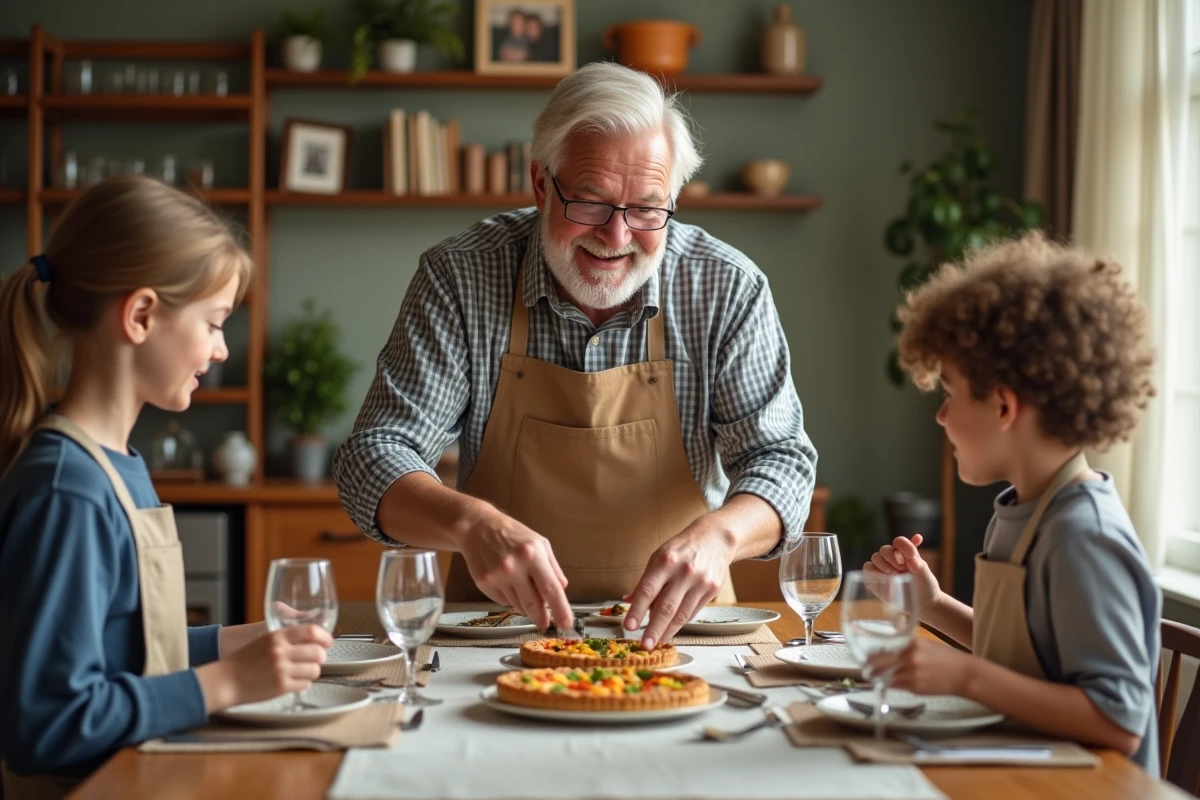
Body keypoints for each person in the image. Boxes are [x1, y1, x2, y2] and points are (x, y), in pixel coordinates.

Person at [334, 62, 817, 650]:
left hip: (681, 636)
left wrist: (720, 537)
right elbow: (374, 455)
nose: (617, 238)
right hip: (494, 634)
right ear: (541, 183)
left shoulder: (726, 287)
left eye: (646, 208)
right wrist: (471, 523)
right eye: (590, 203)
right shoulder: (462, 276)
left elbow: (782, 462)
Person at [0, 175, 333, 799]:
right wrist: (228, 683)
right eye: (213, 323)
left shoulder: (114, 463)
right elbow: (45, 724)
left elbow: (123, 648)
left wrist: (240, 640)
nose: (222, 350)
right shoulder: (66, 490)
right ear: (141, 314)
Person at [864, 233, 1161, 774]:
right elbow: (1029, 664)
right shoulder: (1025, 511)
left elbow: (1119, 720)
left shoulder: (1082, 535)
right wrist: (932, 606)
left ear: (1002, 405)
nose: (941, 417)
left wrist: (962, 676)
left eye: (948, 395)